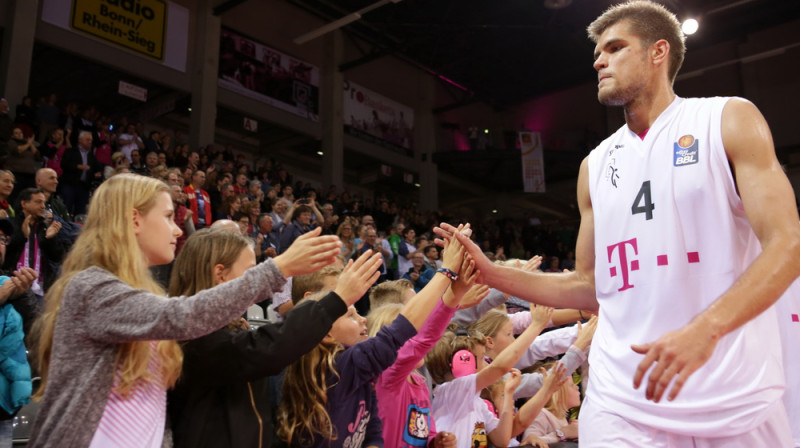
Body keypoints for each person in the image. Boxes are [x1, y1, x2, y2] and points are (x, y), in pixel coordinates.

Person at [437, 1, 799, 445]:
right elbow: (588, 286)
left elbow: (788, 243)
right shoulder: (595, 165)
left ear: (657, 52)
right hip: (619, 396)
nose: (598, 60)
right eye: (597, 52)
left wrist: (708, 327)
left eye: (615, 47)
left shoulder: (726, 119)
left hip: (730, 388)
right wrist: (494, 274)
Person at [26, 174, 343, 447]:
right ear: (134, 219)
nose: (177, 230)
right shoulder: (90, 288)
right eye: (167, 217)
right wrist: (279, 268)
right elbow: (183, 316)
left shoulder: (142, 294)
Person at [166, 229, 383, 448]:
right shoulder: (195, 337)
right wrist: (337, 299)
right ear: (220, 274)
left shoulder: (228, 331)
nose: (263, 283)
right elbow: (272, 347)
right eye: (251, 272)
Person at [276, 235, 467, 448]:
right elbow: (407, 333)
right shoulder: (344, 366)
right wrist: (446, 275)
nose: (362, 318)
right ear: (325, 331)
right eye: (349, 314)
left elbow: (373, 436)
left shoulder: (362, 377)